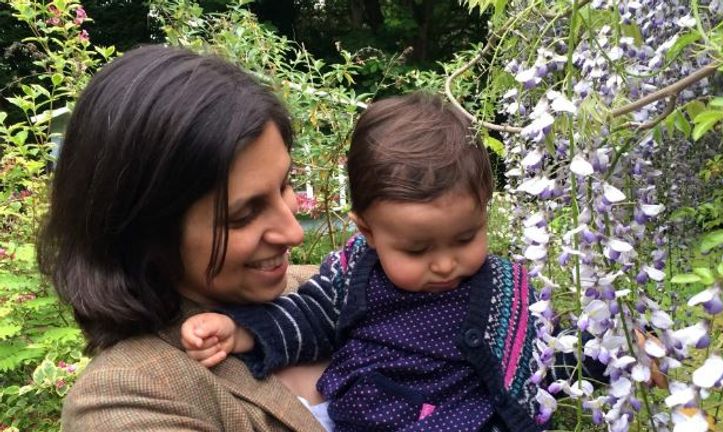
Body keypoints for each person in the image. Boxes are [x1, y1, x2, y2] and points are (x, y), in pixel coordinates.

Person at [182, 93, 570, 432]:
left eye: (466, 238)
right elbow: (305, 318)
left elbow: (548, 350)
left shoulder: (506, 287)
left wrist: (606, 351)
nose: (445, 264)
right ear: (368, 232)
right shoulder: (352, 277)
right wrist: (240, 332)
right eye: (417, 250)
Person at [37, 44, 328, 431]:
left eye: (285, 185)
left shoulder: (332, 289)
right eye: (243, 215)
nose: (292, 232)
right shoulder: (128, 396)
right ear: (146, 233)